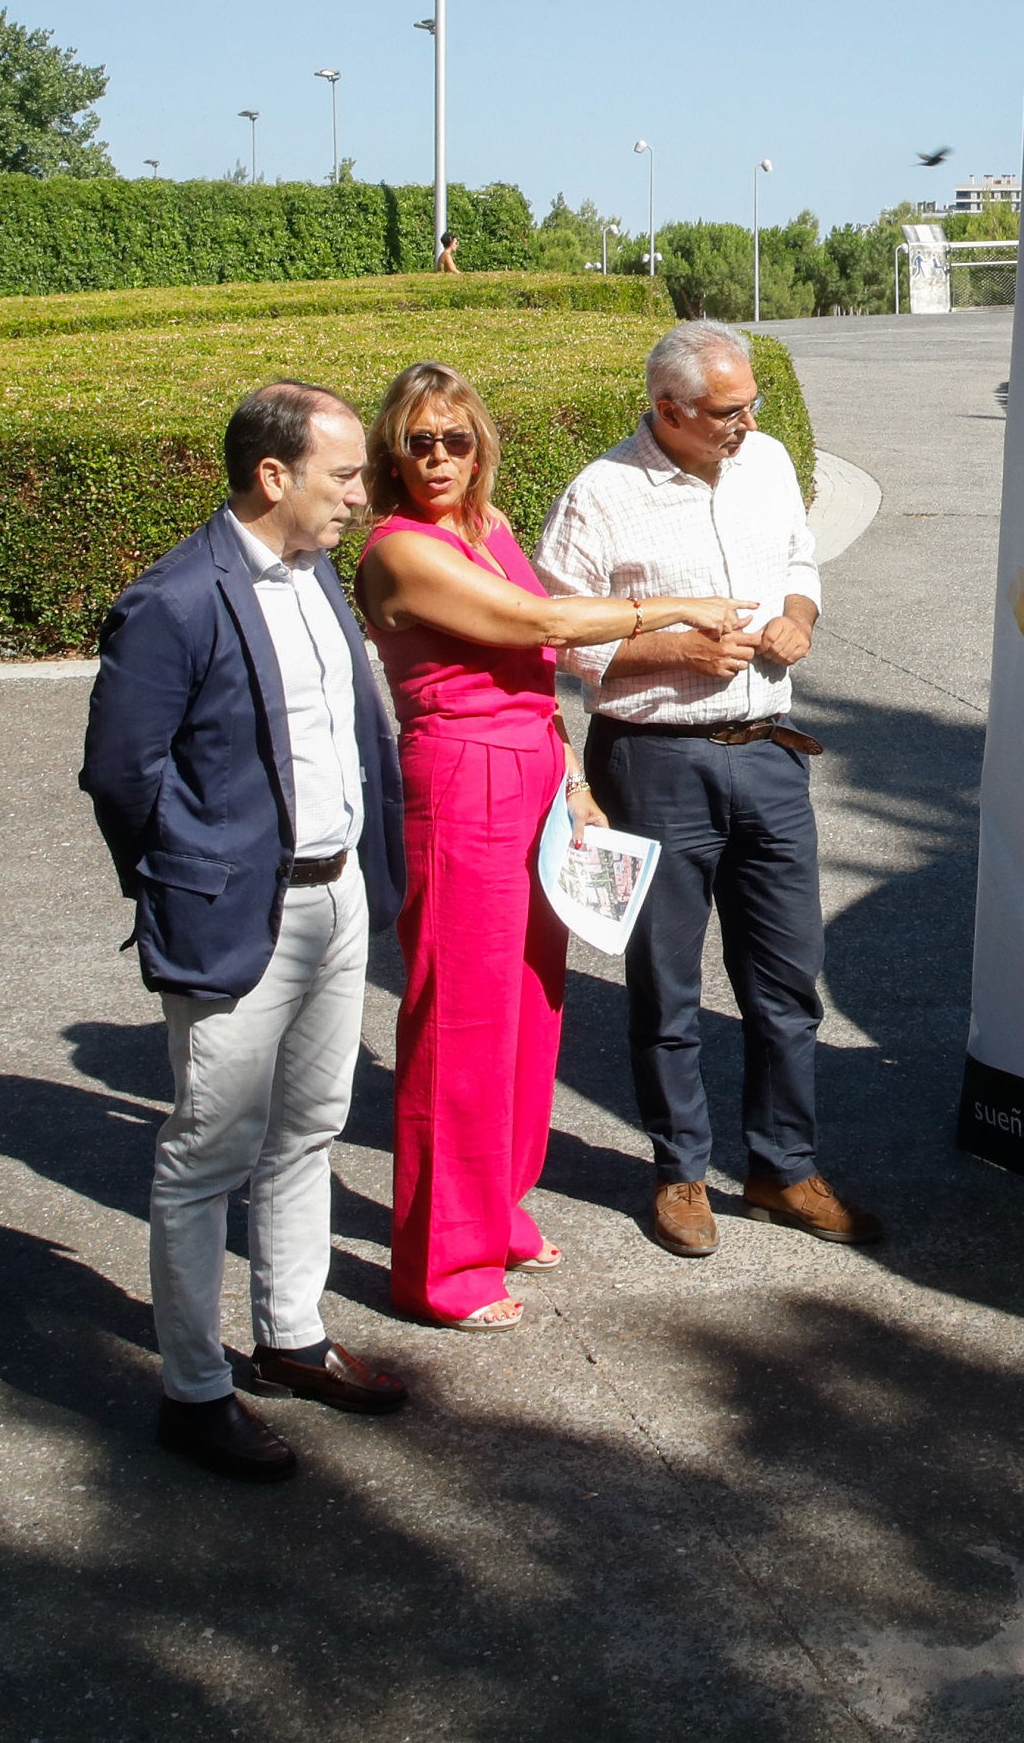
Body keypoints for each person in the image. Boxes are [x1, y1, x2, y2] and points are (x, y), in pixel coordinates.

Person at [353, 363, 744, 1327]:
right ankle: (443, 1266)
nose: (437, 459)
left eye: (455, 440)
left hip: (532, 771)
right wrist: (673, 606)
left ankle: (497, 1212)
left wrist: (573, 781)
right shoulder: (400, 551)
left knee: (530, 1011)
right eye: (417, 442)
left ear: (479, 447)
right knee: (458, 1027)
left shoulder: (485, 528)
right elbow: (545, 623)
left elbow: (534, 673)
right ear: (392, 453)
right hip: (458, 777)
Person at [78, 380, 417, 1482]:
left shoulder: (316, 574)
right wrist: (185, 883)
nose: (362, 495)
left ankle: (291, 1337)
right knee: (206, 1154)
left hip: (338, 896)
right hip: (237, 915)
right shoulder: (173, 600)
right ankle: (193, 1391)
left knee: (311, 1124)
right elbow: (120, 773)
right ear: (274, 475)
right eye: (344, 475)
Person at [537, 320, 883, 1257]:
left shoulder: (765, 461)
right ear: (669, 409)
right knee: (667, 983)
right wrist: (672, 650)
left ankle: (783, 1168)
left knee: (786, 980)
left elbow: (800, 562)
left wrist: (800, 619)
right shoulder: (601, 494)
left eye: (752, 403)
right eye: (730, 411)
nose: (749, 423)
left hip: (770, 753)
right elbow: (558, 633)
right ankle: (680, 1173)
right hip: (655, 763)